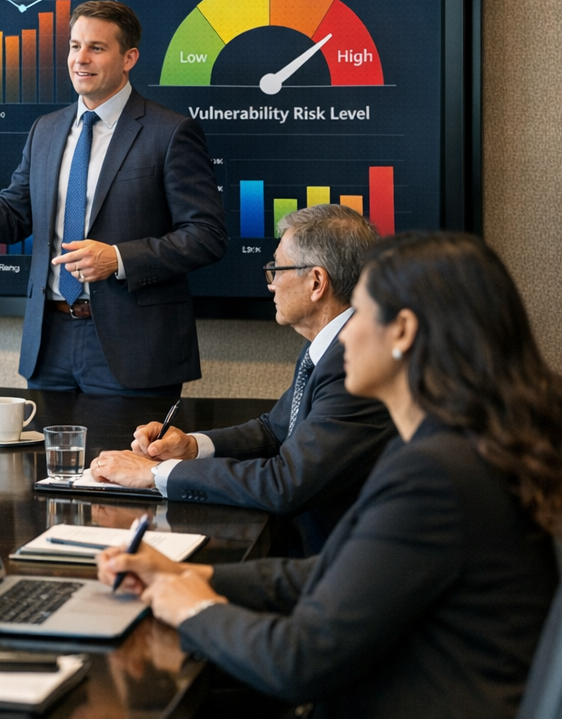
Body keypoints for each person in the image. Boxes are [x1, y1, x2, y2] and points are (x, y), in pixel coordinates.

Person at [97, 232, 562, 719]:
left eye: (361, 310)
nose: (345, 330)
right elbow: (333, 573)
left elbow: (297, 660)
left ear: (404, 332)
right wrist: (184, 577)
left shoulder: (437, 476)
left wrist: (189, 606)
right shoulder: (452, 447)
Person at [0, 0, 225, 397]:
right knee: (47, 460)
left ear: (129, 58)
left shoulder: (170, 132)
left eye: (96, 48)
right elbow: (12, 218)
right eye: (74, 46)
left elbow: (206, 234)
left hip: (134, 348)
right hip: (49, 342)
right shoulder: (47, 130)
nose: (80, 59)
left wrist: (119, 259)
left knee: (125, 460)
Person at [87, 204, 394, 555]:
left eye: (276, 269)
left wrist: (156, 475)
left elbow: (285, 484)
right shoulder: (333, 344)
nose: (271, 285)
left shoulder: (354, 363)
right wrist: (192, 446)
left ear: (316, 282)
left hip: (333, 565)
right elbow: (274, 430)